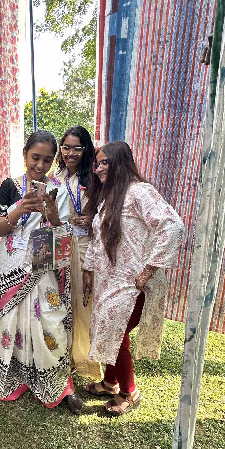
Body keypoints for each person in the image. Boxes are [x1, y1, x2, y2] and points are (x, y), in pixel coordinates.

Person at [81, 141, 184, 416]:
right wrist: (88, 272)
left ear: (121, 163)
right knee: (108, 330)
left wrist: (148, 270)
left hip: (131, 284)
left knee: (118, 333)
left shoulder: (139, 191)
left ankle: (129, 392)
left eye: (105, 162)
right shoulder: (108, 196)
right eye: (97, 164)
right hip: (108, 281)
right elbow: (97, 239)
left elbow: (172, 226)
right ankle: (110, 383)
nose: (99, 168)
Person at [0, 130, 83, 414]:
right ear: (25, 155)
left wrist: (52, 216)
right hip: (12, 268)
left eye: (46, 159)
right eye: (35, 157)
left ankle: (58, 384)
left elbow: (65, 235)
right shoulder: (9, 186)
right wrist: (20, 208)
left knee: (49, 321)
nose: (40, 165)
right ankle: (16, 379)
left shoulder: (59, 190)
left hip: (43, 266)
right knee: (13, 325)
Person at [47, 126, 102, 381]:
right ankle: (62, 357)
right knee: (60, 301)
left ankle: (85, 361)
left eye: (77, 148)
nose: (70, 153)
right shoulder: (55, 177)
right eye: (66, 147)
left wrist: (92, 219)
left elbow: (107, 213)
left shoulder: (93, 177)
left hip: (84, 245)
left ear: (86, 149)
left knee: (83, 302)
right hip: (59, 243)